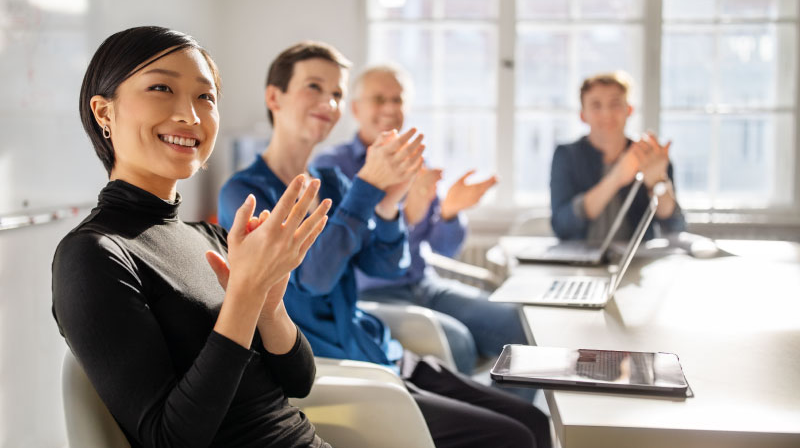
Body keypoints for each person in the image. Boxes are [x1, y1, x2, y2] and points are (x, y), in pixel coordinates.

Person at [218, 42, 551, 448]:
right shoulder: (245, 192)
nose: (329, 101)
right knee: (511, 437)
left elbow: (387, 266)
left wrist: (390, 202)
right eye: (314, 87)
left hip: (379, 350)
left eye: (337, 93)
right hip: (338, 370)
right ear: (274, 97)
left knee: (532, 420)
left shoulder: (334, 182)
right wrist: (369, 188)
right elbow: (313, 281)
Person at [52, 26, 333, 448]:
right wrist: (244, 295)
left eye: (206, 96)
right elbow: (170, 439)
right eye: (161, 87)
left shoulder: (211, 237)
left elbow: (299, 381)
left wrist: (268, 305)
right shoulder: (94, 254)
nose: (192, 116)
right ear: (104, 113)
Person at [312, 64, 528, 375]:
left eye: (397, 100)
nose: (390, 108)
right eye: (379, 99)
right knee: (459, 343)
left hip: (425, 285)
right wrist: (405, 216)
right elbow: (340, 250)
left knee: (520, 327)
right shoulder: (331, 166)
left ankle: (509, 418)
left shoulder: (416, 162)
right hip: (371, 294)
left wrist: (451, 212)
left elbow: (444, 248)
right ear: (356, 109)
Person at [550, 71, 686, 241]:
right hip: (578, 261)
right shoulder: (567, 156)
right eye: (596, 105)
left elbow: (675, 227)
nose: (607, 114)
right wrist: (617, 177)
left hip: (636, 261)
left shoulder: (650, 155)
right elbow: (562, 226)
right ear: (583, 115)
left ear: (629, 110)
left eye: (615, 104)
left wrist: (658, 182)